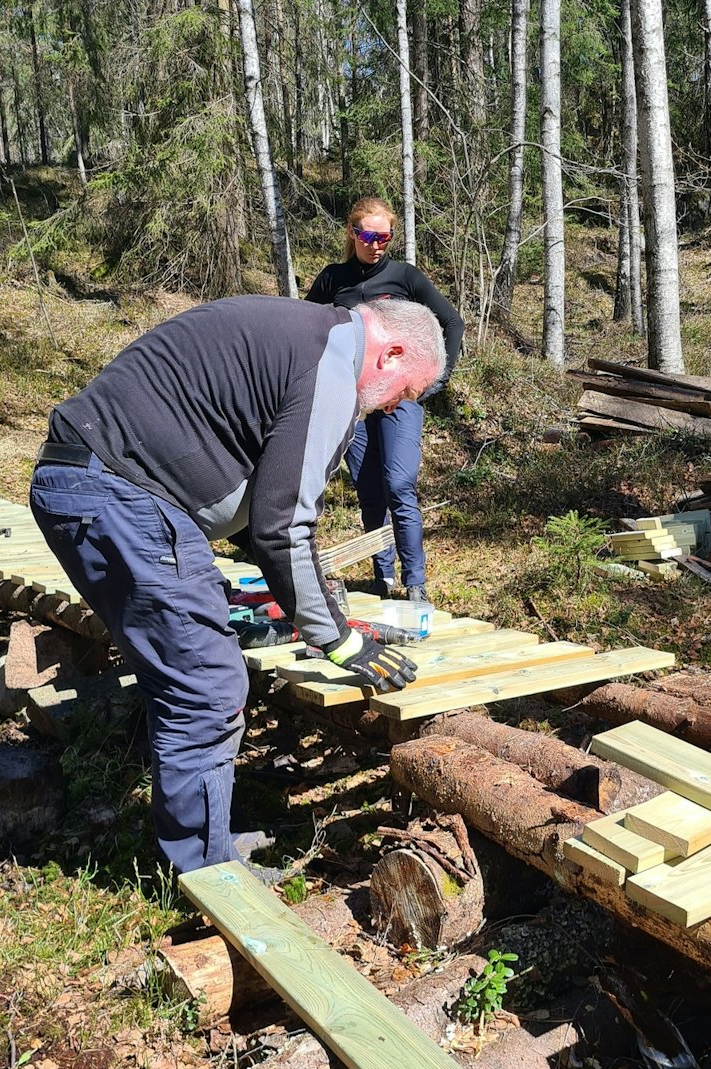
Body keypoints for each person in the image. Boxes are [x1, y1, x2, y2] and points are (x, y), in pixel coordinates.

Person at [29, 295, 446, 878]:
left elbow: (256, 498)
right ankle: (210, 877)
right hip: (119, 493)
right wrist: (339, 639)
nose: (396, 406)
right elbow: (283, 526)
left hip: (90, 482)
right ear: (393, 353)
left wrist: (300, 591)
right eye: (407, 391)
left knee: (189, 667)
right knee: (207, 683)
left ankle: (204, 837)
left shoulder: (303, 335)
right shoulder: (331, 362)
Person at [306, 197, 465, 604]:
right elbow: (305, 330)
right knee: (369, 490)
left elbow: (452, 322)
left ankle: (415, 583)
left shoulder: (404, 277)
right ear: (352, 232)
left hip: (400, 399)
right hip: (354, 403)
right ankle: (383, 579)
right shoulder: (332, 279)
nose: (377, 245)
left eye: (385, 237)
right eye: (369, 237)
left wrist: (433, 381)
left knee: (399, 484)